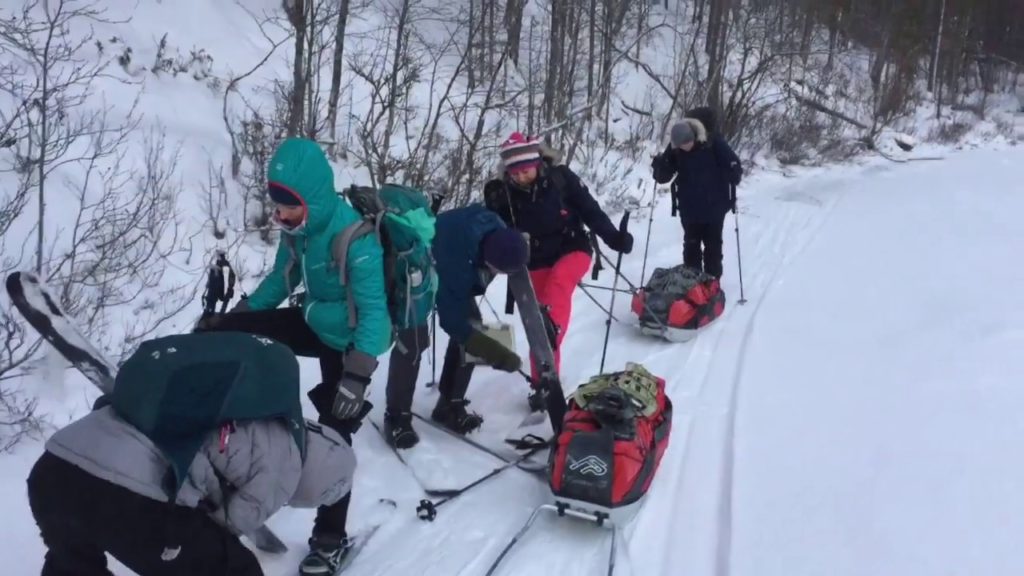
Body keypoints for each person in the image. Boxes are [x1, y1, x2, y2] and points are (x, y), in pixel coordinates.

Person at [194, 137, 391, 575]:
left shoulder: (355, 239)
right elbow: (277, 283)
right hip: (314, 320)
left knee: (337, 435)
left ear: (314, 201)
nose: (279, 215)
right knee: (232, 332)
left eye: (290, 206)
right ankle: (226, 441)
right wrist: (236, 320)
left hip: (349, 342)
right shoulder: (298, 234)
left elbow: (375, 314)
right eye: (277, 205)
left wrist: (356, 378)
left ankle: (329, 539)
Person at [26, 344, 355, 576]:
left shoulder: (257, 410)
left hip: (54, 471)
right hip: (123, 496)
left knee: (73, 565)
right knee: (234, 569)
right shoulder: (286, 467)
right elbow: (228, 525)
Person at [484, 132, 632, 412]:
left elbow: (590, 210)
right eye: (513, 172)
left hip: (572, 248)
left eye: (525, 170)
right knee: (536, 319)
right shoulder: (504, 193)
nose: (520, 177)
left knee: (557, 292)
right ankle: (545, 384)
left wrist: (614, 238)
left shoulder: (561, 179)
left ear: (537, 161)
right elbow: (492, 229)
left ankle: (550, 329)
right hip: (535, 259)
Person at [428, 203, 529, 434]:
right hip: (423, 262)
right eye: (498, 271)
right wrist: (496, 353)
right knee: (463, 330)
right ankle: (399, 415)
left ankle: (449, 403)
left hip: (455, 252)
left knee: (472, 326)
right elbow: (452, 321)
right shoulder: (457, 262)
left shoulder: (497, 228)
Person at [650, 115, 743, 279]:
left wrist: (734, 171)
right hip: (689, 206)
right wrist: (659, 167)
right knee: (691, 247)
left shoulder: (713, 143)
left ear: (694, 137)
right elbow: (663, 176)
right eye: (680, 146)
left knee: (712, 246)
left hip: (714, 206)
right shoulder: (675, 148)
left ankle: (712, 282)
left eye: (686, 143)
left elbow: (733, 162)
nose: (684, 148)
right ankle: (692, 283)